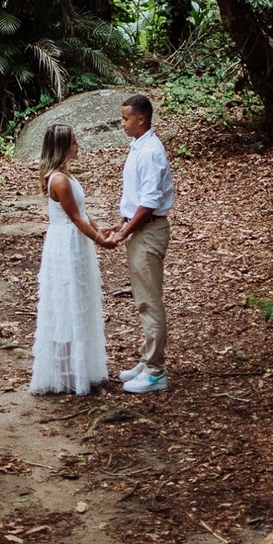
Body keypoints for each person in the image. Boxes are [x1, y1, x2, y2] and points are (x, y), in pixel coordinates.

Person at [99, 93, 174, 394]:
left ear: (141, 119)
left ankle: (156, 371)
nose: (122, 123)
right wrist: (121, 223)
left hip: (149, 231)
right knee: (143, 298)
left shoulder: (151, 152)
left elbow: (151, 201)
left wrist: (125, 231)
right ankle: (147, 360)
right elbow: (136, 197)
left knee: (149, 301)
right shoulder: (138, 147)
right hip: (139, 228)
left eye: (125, 118)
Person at [29, 124, 109, 395]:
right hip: (65, 245)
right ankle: (65, 373)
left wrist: (102, 230)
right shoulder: (59, 180)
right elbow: (75, 219)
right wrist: (101, 241)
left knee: (79, 300)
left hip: (75, 243)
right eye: (74, 142)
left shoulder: (66, 176)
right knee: (65, 304)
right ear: (63, 147)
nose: (78, 146)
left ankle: (79, 368)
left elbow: (83, 213)